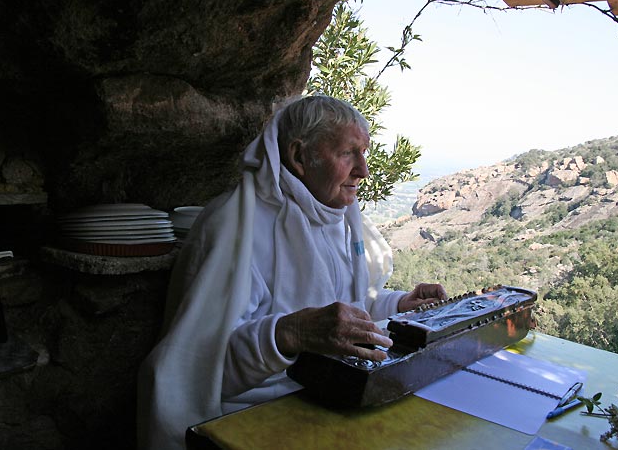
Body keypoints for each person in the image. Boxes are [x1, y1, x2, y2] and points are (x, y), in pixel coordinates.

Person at [137, 95, 447, 450]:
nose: (363, 170)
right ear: (300, 157)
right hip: (249, 415)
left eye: (364, 153)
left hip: (328, 395)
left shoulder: (335, 216)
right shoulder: (237, 229)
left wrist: (398, 303)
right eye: (348, 153)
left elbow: (342, 308)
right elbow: (197, 369)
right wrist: (290, 333)